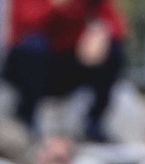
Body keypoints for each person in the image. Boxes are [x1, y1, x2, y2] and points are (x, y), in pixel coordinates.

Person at [3, 0, 127, 142]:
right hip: (29, 66)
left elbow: (114, 23)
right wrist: (57, 6)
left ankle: (93, 124)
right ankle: (26, 120)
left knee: (112, 48)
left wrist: (100, 32)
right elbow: (25, 24)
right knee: (33, 47)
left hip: (70, 63)